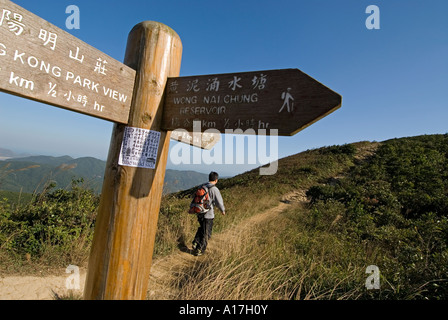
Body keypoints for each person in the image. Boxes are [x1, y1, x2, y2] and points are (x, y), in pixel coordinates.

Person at [192, 171, 226, 256]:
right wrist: (222, 210)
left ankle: (196, 242)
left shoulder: (202, 186)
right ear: (216, 180)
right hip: (208, 214)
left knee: (202, 228)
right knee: (207, 233)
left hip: (199, 212)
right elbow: (219, 202)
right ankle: (200, 250)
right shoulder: (214, 189)